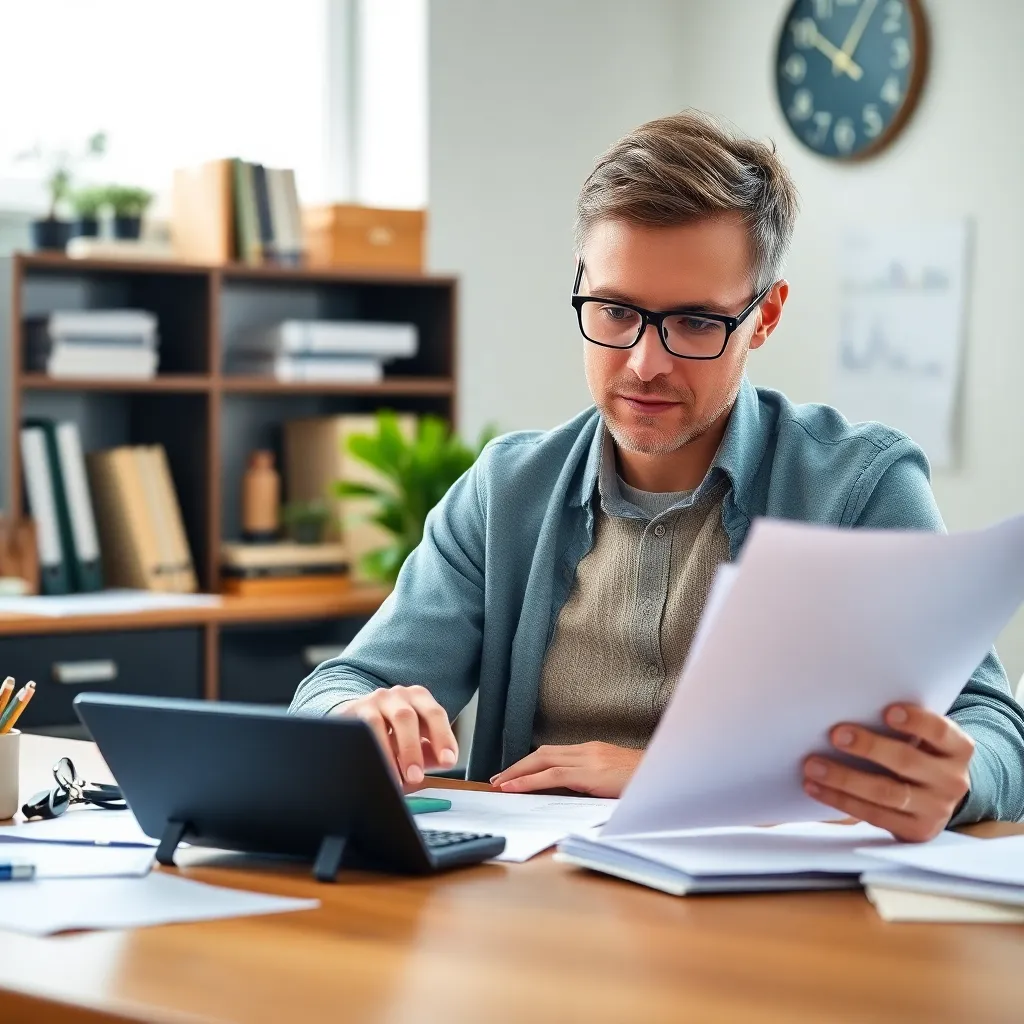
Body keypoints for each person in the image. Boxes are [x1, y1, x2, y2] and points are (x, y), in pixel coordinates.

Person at [290, 110, 1024, 842]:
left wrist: (959, 780)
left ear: (764, 317)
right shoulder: (506, 490)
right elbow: (340, 685)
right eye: (614, 311)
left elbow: (993, 731)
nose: (645, 363)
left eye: (697, 323)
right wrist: (357, 716)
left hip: (776, 917)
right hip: (537, 909)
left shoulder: (860, 485)